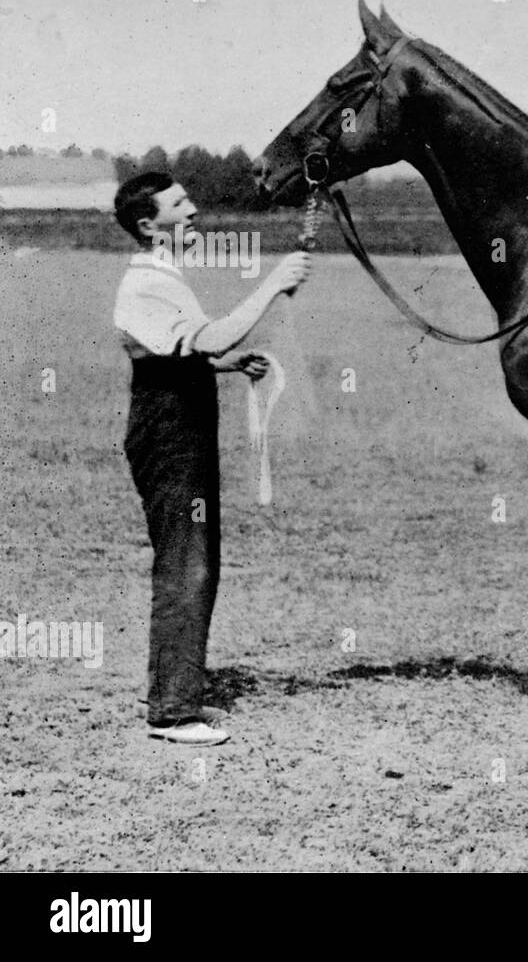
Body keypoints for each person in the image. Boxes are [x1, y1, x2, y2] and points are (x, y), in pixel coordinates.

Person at [112, 171, 310, 745]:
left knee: (191, 560)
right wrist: (272, 283)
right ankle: (174, 711)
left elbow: (170, 353)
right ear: (151, 225)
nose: (194, 209)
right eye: (180, 204)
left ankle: (169, 687)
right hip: (170, 434)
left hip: (178, 428)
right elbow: (212, 334)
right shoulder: (149, 280)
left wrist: (222, 366)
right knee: (187, 563)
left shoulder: (160, 274)